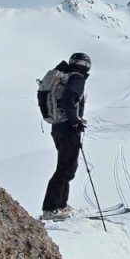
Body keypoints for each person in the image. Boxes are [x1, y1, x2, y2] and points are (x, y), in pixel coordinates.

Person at [41, 52, 91, 219]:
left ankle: (60, 205)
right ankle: (51, 208)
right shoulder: (77, 79)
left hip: (57, 127)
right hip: (68, 128)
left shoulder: (65, 76)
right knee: (65, 168)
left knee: (67, 166)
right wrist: (75, 121)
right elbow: (70, 97)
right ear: (86, 65)